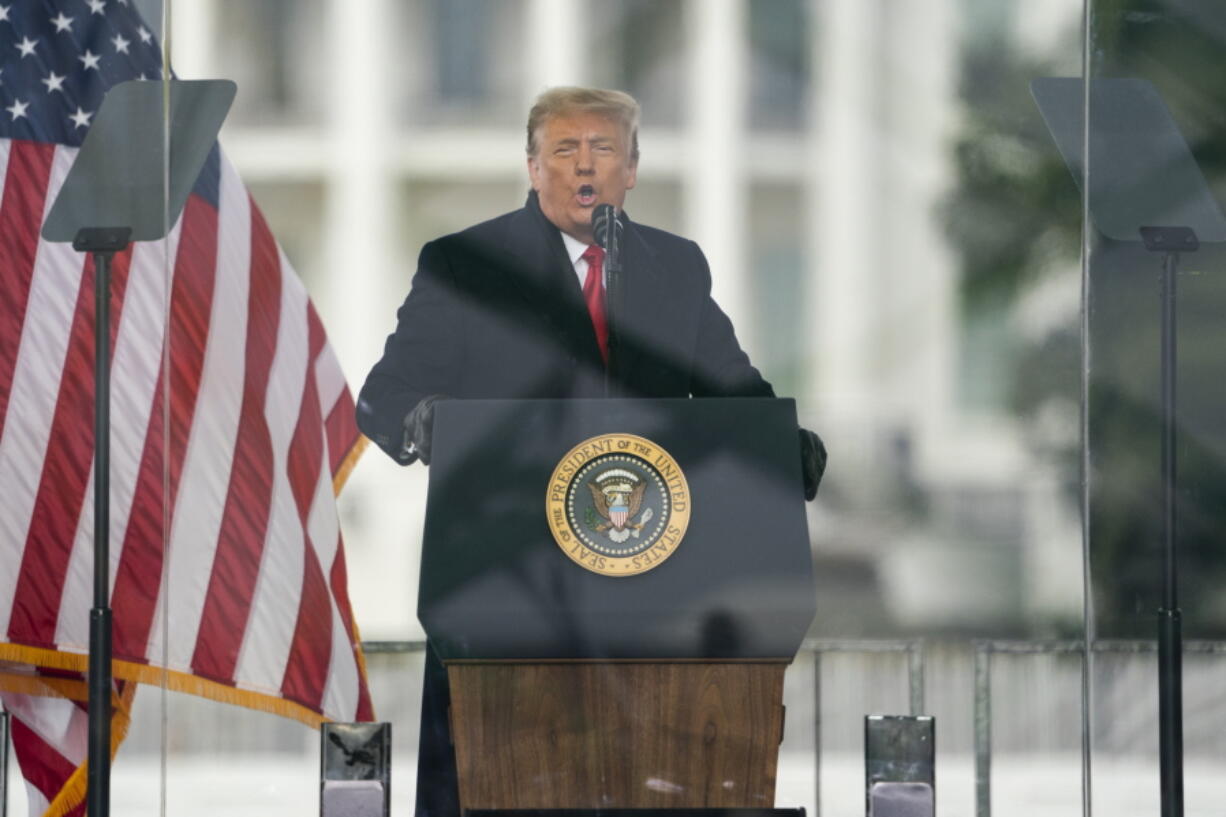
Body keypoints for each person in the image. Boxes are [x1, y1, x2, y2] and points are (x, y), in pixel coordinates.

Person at [356, 86, 825, 816]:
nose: (585, 166)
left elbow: (731, 385)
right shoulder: (464, 264)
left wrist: (777, 444)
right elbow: (383, 396)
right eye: (565, 150)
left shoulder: (674, 267)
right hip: (503, 588)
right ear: (532, 166)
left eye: (603, 149)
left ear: (632, 168)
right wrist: (427, 419)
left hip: (655, 590)